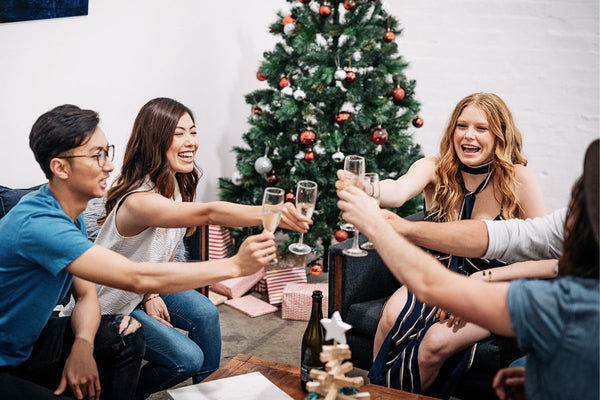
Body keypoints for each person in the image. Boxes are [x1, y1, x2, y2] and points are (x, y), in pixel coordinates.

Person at [0, 104, 276, 400]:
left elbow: (85, 293)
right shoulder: (41, 225)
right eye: (96, 156)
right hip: (9, 358)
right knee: (181, 354)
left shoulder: (71, 214)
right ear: (60, 167)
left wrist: (82, 343)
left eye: (108, 152)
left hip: (30, 342)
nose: (108, 165)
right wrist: (235, 265)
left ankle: (209, 392)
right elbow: (136, 275)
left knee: (131, 333)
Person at [59, 97, 309, 399]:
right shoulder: (140, 201)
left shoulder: (175, 184)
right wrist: (274, 212)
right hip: (107, 307)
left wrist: (151, 294)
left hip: (141, 288)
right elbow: (209, 213)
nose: (191, 141)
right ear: (155, 141)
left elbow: (155, 253)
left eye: (192, 131)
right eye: (179, 134)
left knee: (204, 312)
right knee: (187, 359)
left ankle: (211, 391)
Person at [338, 140, 599, 400]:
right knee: (392, 315)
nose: (469, 136)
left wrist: (380, 227)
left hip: (486, 283)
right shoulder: (437, 169)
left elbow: (434, 285)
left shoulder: (562, 301)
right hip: (452, 274)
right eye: (462, 126)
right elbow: (504, 236)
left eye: (572, 211)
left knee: (435, 342)